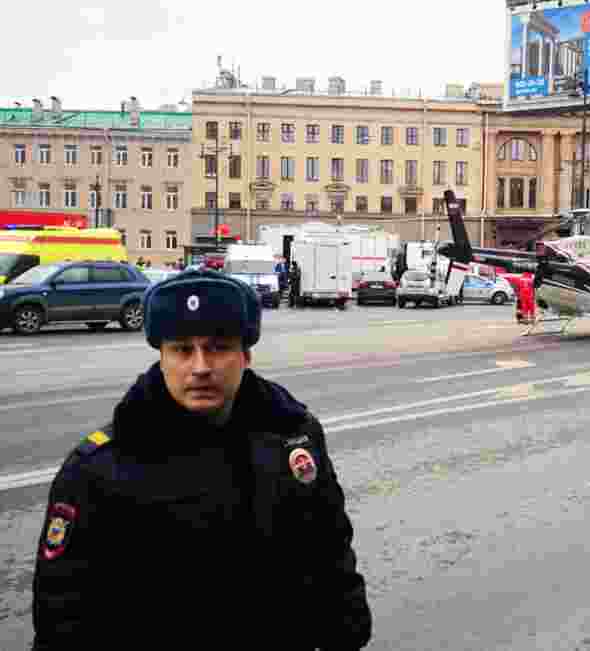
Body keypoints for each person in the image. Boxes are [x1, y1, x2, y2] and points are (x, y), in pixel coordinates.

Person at [31, 269, 372, 650]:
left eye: (218, 347)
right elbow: (63, 618)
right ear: (161, 356)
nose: (200, 367)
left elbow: (329, 550)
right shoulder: (98, 469)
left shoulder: (293, 438)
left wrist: (347, 631)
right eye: (181, 349)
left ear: (245, 355)